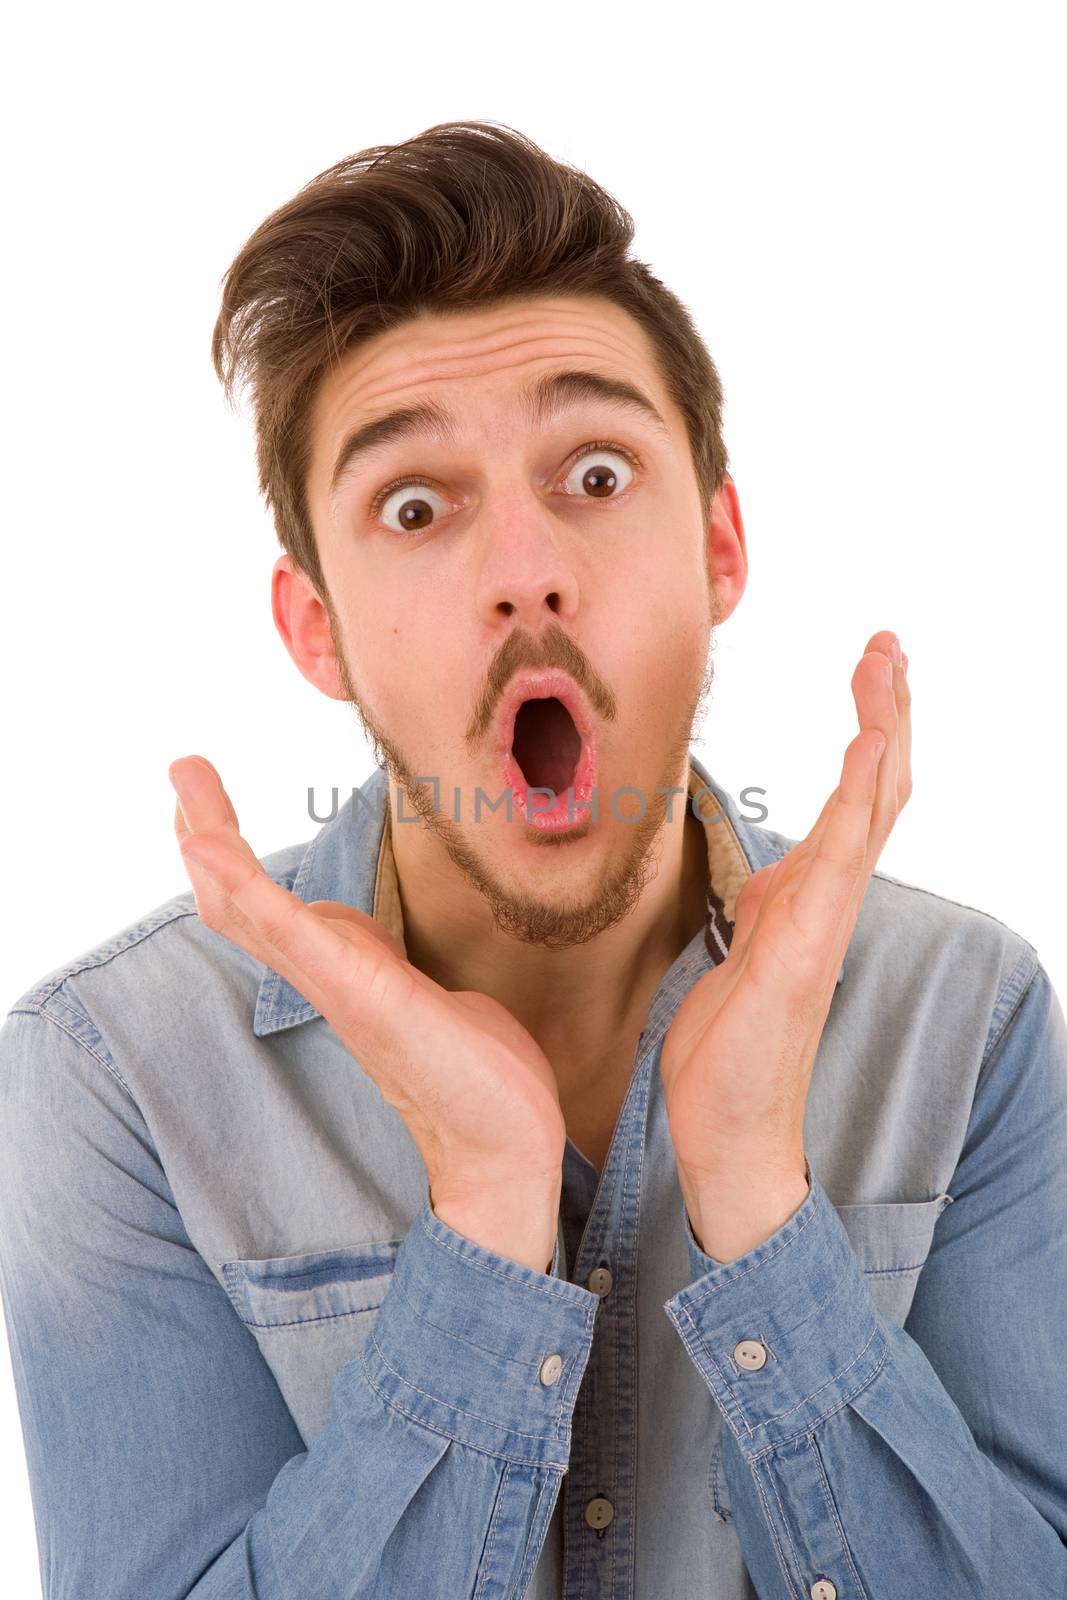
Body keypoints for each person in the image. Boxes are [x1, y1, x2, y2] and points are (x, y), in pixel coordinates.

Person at [0, 119, 1064, 1600]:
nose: (524, 571)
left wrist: (759, 1192)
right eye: (416, 507)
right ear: (316, 628)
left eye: (599, 472)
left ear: (719, 550)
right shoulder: (112, 1071)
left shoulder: (976, 1019)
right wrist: (487, 1223)